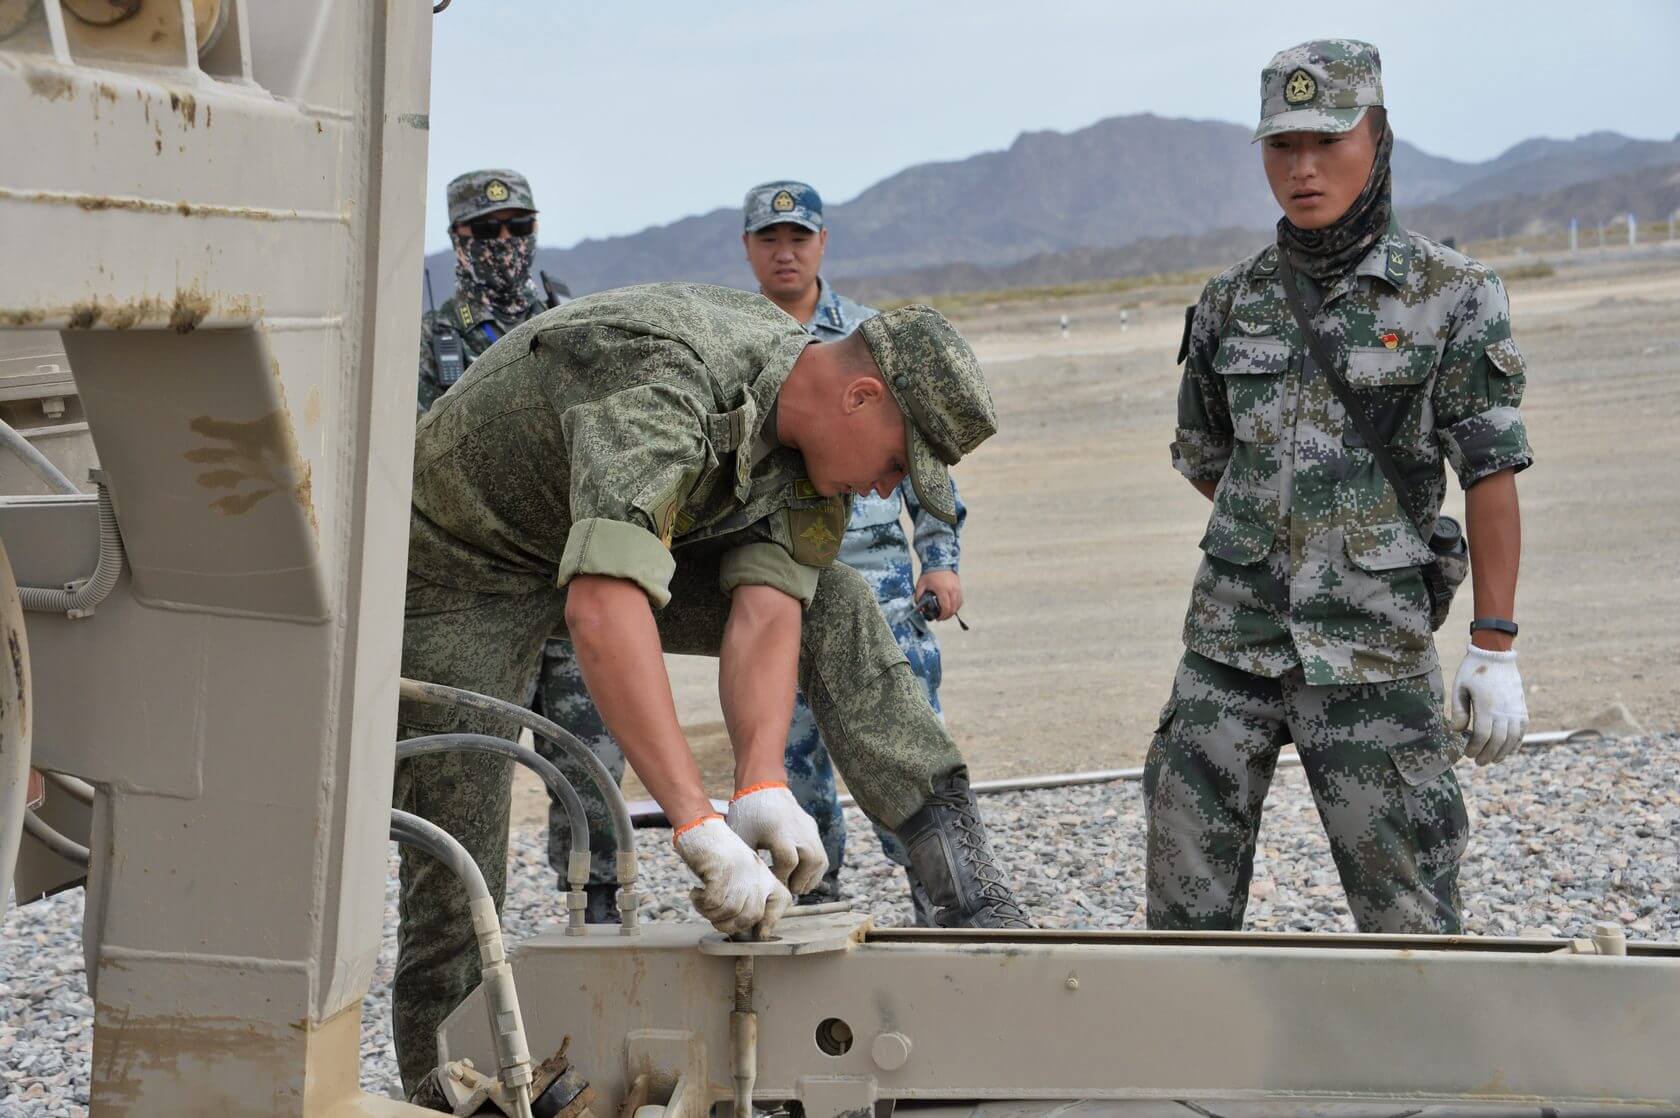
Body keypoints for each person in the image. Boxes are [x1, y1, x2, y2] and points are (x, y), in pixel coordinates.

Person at [392, 282, 1031, 1095]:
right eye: (898, 463)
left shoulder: (810, 431)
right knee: (456, 861)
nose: (883, 489)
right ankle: (433, 1095)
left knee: (838, 601)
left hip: (587, 535)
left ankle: (968, 894)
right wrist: (697, 824)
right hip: (465, 560)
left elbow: (771, 605)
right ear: (861, 396)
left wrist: (758, 782)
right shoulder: (667, 381)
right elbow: (601, 607)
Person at [1147, 39, 1532, 935]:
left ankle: (1421, 1076)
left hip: (1374, 654)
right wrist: (1284, 535)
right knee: (1180, 913)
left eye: (1328, 140)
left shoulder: (1452, 295)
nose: (1304, 168)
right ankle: (1192, 1074)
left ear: (1379, 135)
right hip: (1228, 648)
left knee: (1410, 918)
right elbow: (1210, 456)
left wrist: (1496, 644)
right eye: (1282, 147)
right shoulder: (1230, 302)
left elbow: (1491, 473)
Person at [739, 180, 965, 916]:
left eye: (798, 239)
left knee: (903, 750)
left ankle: (942, 901)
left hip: (881, 589)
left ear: (822, 244)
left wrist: (940, 559)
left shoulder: (871, 339)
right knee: (791, 768)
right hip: (783, 588)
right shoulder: (738, 347)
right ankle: (810, 903)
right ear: (748, 248)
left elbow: (926, 464)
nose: (785, 253)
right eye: (769, 240)